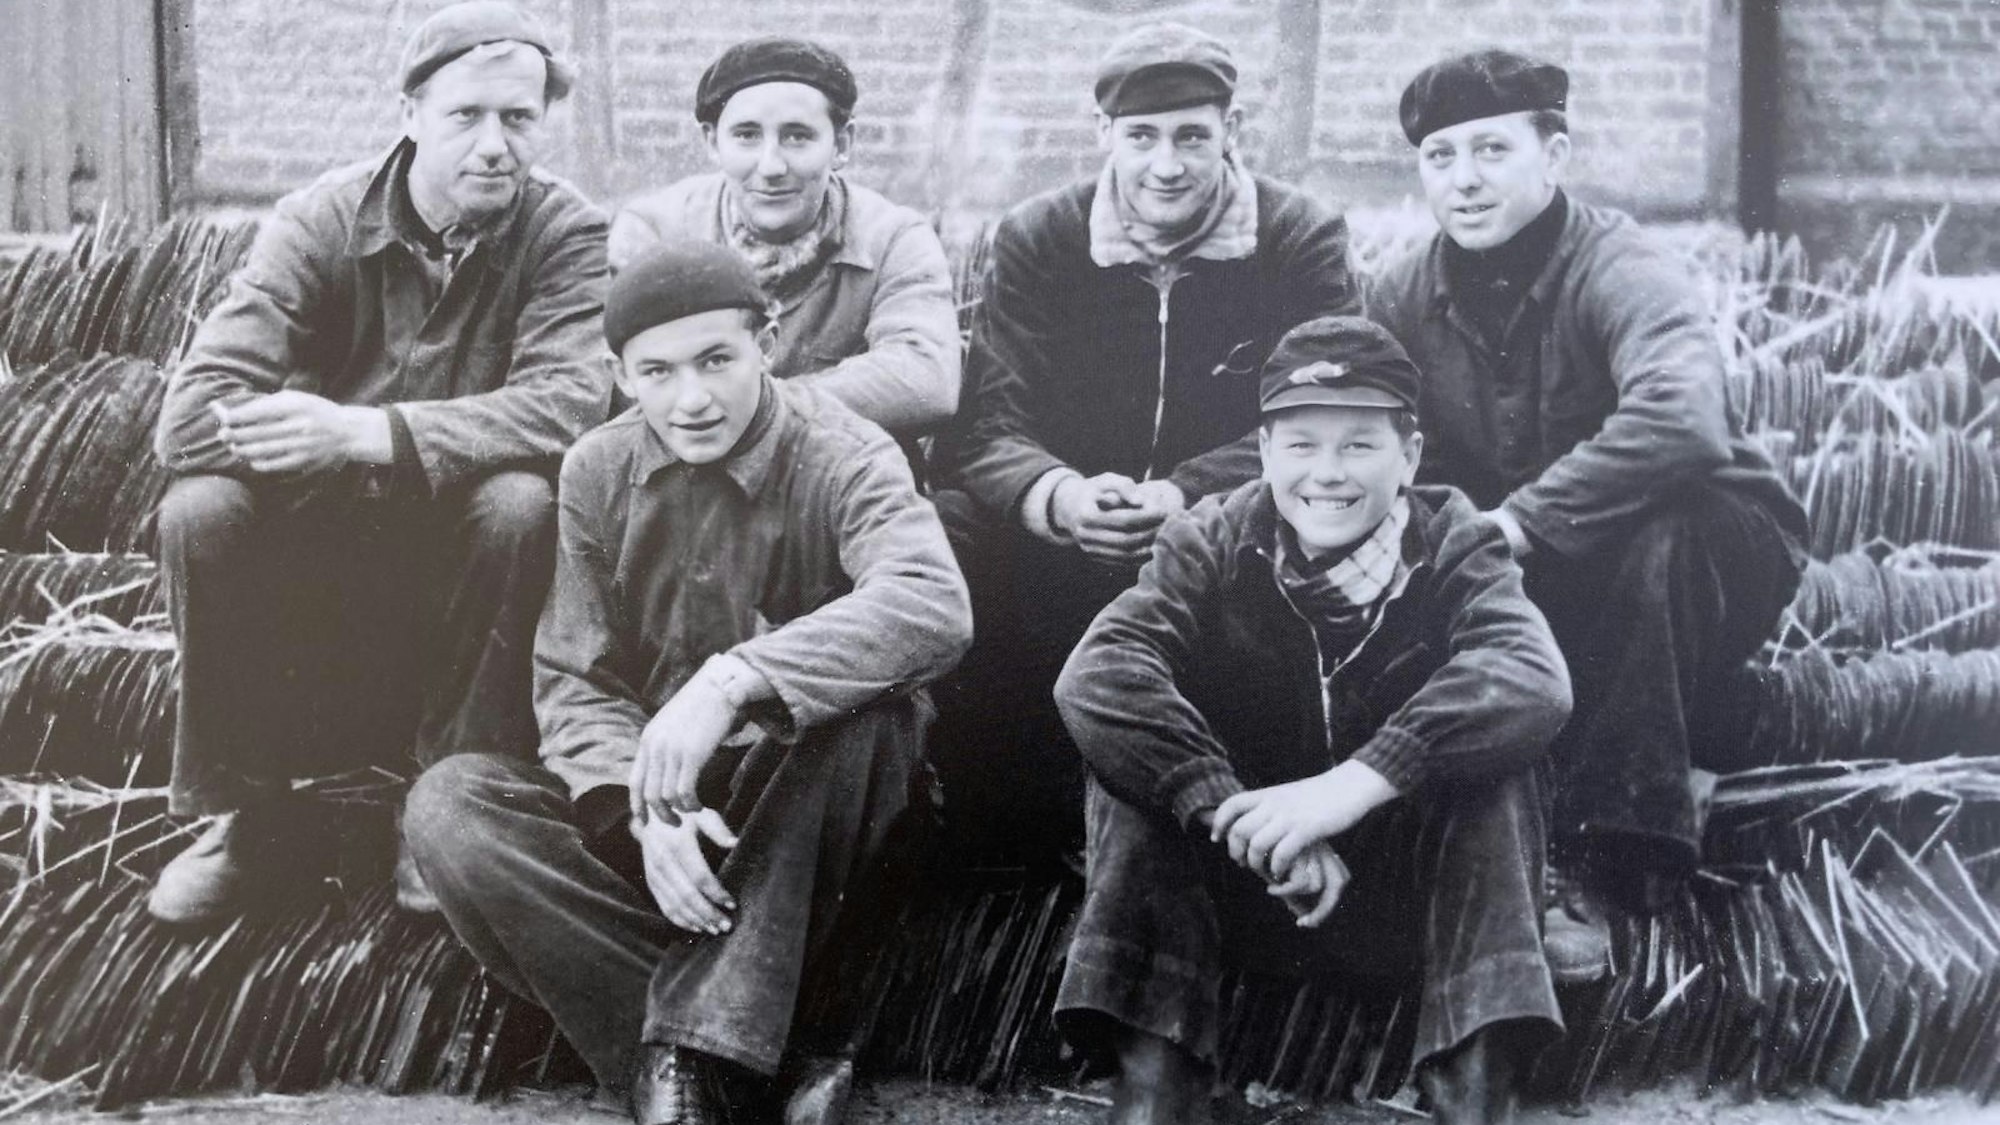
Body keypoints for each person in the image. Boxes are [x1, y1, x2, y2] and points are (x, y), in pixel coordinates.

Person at [404, 239, 973, 1125]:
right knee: (451, 803)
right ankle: (755, 1060)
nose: (692, 398)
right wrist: (645, 808)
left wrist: (737, 678)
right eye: (657, 372)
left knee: (876, 721)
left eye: (717, 360)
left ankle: (686, 1065)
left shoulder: (847, 451)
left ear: (769, 341)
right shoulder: (596, 466)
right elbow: (574, 673)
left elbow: (931, 601)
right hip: (662, 814)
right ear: (621, 374)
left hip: (801, 817)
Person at [147, 0, 609, 924]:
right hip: (320, 543)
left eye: (518, 119)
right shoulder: (318, 220)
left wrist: (367, 432)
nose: (494, 145)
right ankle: (249, 812)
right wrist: (317, 453)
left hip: (467, 545)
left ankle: (442, 807)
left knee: (523, 501)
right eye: (464, 116)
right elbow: (189, 420)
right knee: (198, 509)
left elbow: (573, 404)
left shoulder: (566, 232)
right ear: (409, 115)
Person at [1053, 316, 1570, 1125]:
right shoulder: (1210, 538)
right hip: (1244, 893)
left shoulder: (1457, 543)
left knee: (1504, 762)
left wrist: (1348, 788)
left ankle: (1476, 1092)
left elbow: (1531, 676)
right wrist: (1231, 809)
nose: (1326, 474)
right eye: (1301, 444)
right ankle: (1159, 1089)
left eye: (1359, 445)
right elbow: (1099, 673)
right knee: (1128, 761)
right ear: (1263, 454)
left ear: (1411, 456)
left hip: (1400, 903)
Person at [1366, 50, 1808, 983]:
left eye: (1492, 149)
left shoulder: (1621, 264)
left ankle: (1607, 863)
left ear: (1554, 154)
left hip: (1713, 536)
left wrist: (1519, 521)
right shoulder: (1400, 293)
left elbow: (1684, 422)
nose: (1466, 178)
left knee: (1656, 544)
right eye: (1440, 157)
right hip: (1535, 551)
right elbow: (1378, 433)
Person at [929, 22, 1355, 857]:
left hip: (1236, 528)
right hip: (1071, 526)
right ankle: (988, 819)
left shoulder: (1298, 236)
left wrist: (1186, 495)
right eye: (1143, 137)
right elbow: (990, 421)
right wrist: (1058, 495)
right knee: (955, 526)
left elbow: (1325, 410)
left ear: (1232, 134)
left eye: (1193, 136)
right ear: (1104, 137)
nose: (1168, 165)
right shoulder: (1036, 238)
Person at [607, 37, 959, 444]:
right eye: (746, 135)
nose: (771, 166)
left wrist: (755, 408)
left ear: (841, 144)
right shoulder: (656, 231)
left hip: (840, 470)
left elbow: (926, 378)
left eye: (797, 137)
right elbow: (629, 386)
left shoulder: (893, 238)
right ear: (711, 142)